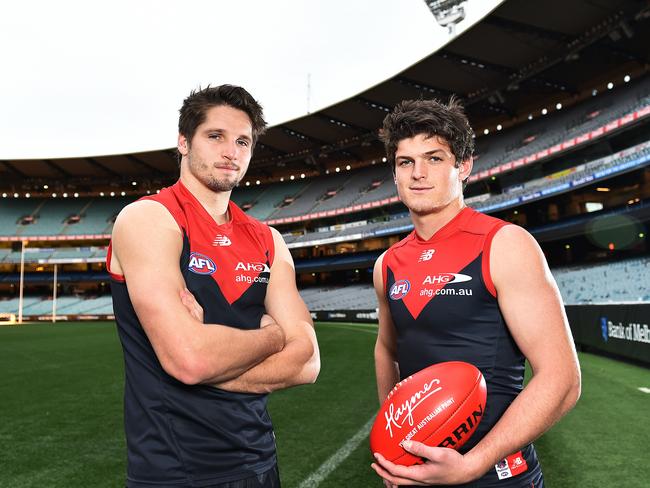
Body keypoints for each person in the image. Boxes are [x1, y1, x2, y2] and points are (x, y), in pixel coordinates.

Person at [107, 84, 320, 487]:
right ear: (184, 142)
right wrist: (275, 337)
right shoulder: (149, 219)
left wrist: (207, 357)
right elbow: (190, 360)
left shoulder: (268, 239)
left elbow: (308, 362)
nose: (231, 152)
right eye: (215, 136)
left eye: (243, 141)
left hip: (260, 462)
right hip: (175, 470)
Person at [371, 98, 581, 487]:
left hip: (498, 476)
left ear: (463, 166)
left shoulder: (505, 244)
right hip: (418, 476)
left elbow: (562, 378)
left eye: (434, 159)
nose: (418, 173)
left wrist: (475, 462)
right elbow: (386, 348)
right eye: (405, 162)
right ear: (395, 174)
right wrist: (395, 437)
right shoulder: (388, 264)